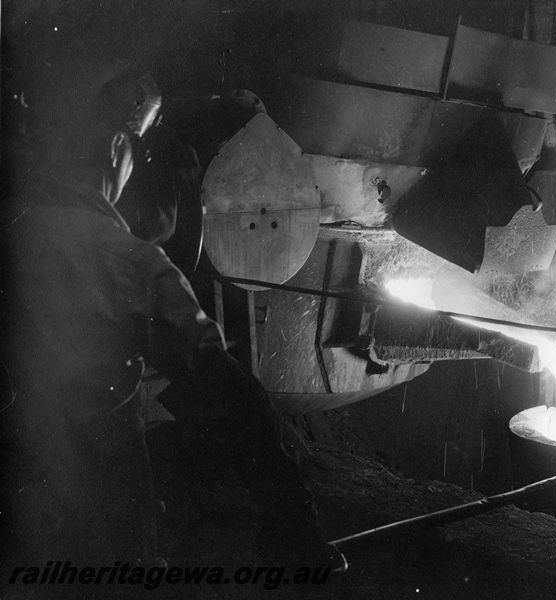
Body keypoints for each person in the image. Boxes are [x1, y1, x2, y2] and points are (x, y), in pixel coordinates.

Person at [1, 11, 345, 586]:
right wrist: (294, 531)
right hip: (93, 518)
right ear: (116, 149)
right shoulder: (126, 264)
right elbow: (227, 395)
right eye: (137, 151)